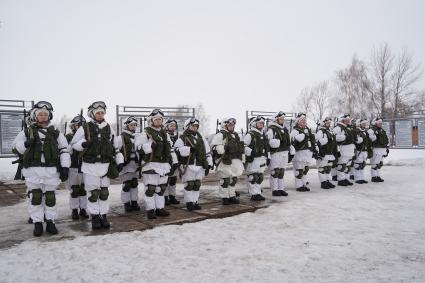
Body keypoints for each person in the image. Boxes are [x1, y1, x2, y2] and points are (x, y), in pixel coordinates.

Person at [14, 101, 70, 236]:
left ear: (49, 116)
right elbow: (15, 147)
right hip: (33, 171)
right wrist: (25, 144)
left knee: (50, 197)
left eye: (46, 114)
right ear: (35, 116)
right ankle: (37, 223)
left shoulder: (56, 133)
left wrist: (65, 167)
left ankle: (50, 222)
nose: (43, 117)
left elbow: (64, 150)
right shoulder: (27, 132)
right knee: (36, 197)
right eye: (40, 114)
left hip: (51, 171)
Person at [71, 101, 123, 229]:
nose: (100, 115)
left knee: (104, 193)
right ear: (92, 114)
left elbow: (116, 147)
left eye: (102, 112)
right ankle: (94, 216)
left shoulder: (109, 127)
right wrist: (83, 144)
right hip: (90, 166)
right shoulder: (85, 127)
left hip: (105, 166)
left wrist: (119, 161)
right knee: (93, 193)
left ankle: (103, 215)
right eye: (97, 113)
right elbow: (73, 145)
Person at [135, 109, 178, 219]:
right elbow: (138, 148)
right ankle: (150, 209)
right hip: (150, 164)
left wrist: (174, 162)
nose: (158, 121)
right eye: (156, 119)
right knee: (151, 189)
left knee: (161, 189)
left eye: (160, 119)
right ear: (151, 120)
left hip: (164, 165)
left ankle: (160, 208)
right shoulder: (145, 133)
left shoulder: (165, 134)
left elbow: (170, 149)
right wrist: (149, 147)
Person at [174, 118, 213, 211]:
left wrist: (209, 163)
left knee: (197, 184)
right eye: (193, 126)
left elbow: (207, 152)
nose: (195, 127)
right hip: (188, 165)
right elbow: (176, 150)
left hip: (199, 165)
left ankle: (195, 201)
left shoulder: (201, 138)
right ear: (188, 126)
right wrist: (188, 150)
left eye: (196, 126)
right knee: (189, 184)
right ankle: (189, 202)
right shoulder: (182, 138)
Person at [210, 118, 244, 205]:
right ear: (224, 125)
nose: (232, 127)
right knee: (225, 180)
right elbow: (213, 146)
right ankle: (225, 197)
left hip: (235, 160)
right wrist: (218, 148)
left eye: (233, 125)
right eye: (229, 125)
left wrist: (243, 157)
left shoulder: (236, 135)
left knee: (233, 180)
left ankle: (232, 196)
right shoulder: (221, 135)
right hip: (225, 160)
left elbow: (241, 147)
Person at [65, 114, 89, 220]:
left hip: (85, 167)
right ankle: (74, 210)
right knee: (74, 190)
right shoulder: (69, 137)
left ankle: (83, 209)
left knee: (83, 189)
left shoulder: (88, 137)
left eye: (81, 125)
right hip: (73, 166)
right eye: (77, 125)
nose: (79, 127)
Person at [118, 116, 141, 212]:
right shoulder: (121, 137)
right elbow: (117, 151)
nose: (133, 126)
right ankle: (127, 203)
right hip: (126, 164)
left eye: (135, 125)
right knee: (127, 185)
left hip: (135, 164)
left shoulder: (138, 136)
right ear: (127, 125)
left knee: (134, 184)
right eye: (131, 125)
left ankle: (134, 201)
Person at [244, 116, 269, 201]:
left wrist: (268, 156)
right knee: (253, 177)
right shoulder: (250, 134)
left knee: (259, 177)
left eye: (262, 123)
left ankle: (258, 193)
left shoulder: (263, 134)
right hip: (253, 159)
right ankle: (253, 194)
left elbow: (266, 147)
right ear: (254, 124)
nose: (261, 124)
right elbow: (244, 145)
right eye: (260, 123)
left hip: (261, 158)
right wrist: (250, 152)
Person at [266, 111, 291, 196]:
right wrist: (273, 143)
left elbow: (289, 141)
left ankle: (281, 188)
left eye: (283, 119)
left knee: (281, 172)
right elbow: (267, 142)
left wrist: (290, 149)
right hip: (276, 153)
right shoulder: (272, 129)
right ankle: (274, 189)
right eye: (281, 119)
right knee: (275, 172)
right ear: (276, 119)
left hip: (285, 152)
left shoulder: (285, 129)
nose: (282, 120)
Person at [290, 113, 315, 192]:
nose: (304, 122)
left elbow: (312, 140)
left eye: (304, 120)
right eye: (302, 120)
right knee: (299, 170)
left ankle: (303, 184)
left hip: (307, 153)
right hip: (299, 154)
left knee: (305, 170)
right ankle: (299, 185)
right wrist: (300, 137)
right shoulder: (295, 131)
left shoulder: (307, 130)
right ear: (298, 122)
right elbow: (293, 141)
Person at [333, 114, 355, 186]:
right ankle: (341, 180)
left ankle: (346, 178)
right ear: (342, 120)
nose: (347, 121)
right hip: (343, 149)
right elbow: (334, 137)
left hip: (350, 150)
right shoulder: (338, 128)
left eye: (348, 120)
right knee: (341, 165)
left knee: (347, 166)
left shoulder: (347, 128)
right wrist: (343, 137)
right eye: (346, 120)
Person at [315, 117, 337, 189]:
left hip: (330, 153)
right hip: (323, 153)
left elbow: (334, 142)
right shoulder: (320, 131)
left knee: (328, 169)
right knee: (322, 168)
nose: (329, 124)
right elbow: (318, 141)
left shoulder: (330, 131)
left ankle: (328, 181)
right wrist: (326, 140)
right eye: (327, 123)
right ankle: (323, 182)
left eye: (329, 123)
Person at [367, 117, 389, 182]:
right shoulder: (371, 130)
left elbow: (386, 140)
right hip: (375, 149)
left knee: (379, 164)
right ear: (375, 123)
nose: (380, 124)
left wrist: (387, 148)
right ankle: (374, 177)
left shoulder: (382, 130)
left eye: (381, 123)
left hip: (382, 149)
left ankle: (378, 176)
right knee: (374, 164)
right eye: (379, 123)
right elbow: (370, 140)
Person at [164, 119, 180, 205]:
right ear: (166, 126)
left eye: (174, 126)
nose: (173, 127)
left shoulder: (177, 136)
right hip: (167, 161)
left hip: (176, 161)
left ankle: (172, 196)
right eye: (171, 126)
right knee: (166, 180)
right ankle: (165, 197)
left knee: (173, 180)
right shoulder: (164, 135)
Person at [352, 119, 371, 184]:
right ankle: (358, 178)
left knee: (362, 165)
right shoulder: (356, 131)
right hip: (359, 150)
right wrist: (360, 140)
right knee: (357, 165)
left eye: (365, 124)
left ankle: (362, 178)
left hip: (364, 150)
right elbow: (355, 140)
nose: (364, 125)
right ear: (359, 124)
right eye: (363, 124)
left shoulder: (365, 131)